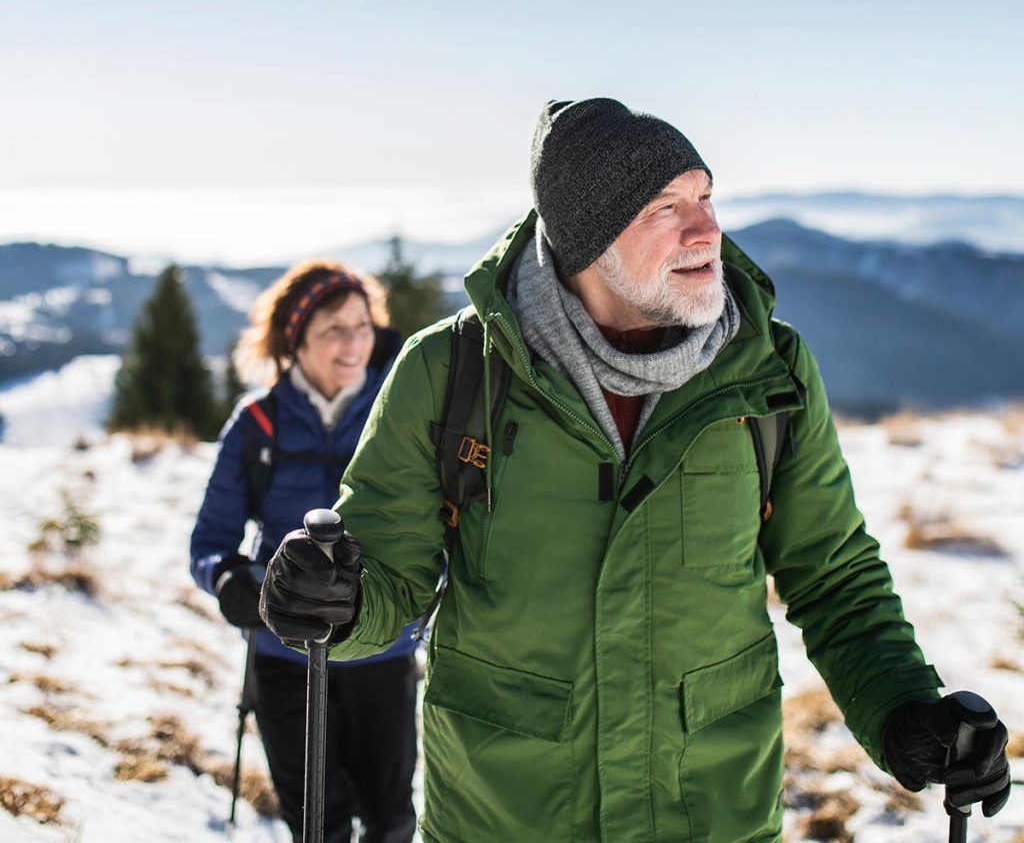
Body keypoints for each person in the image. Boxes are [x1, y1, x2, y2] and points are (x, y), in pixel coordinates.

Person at [259, 99, 1011, 843]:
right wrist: (339, 604)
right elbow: (391, 576)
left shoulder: (768, 372)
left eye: (706, 196)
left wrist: (905, 709)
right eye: (665, 207)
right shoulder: (451, 371)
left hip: (710, 814)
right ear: (590, 241)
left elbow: (833, 575)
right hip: (504, 816)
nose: (706, 229)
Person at [190, 260, 418, 843]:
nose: (353, 343)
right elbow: (210, 543)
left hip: (382, 654)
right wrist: (230, 582)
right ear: (297, 340)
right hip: (284, 657)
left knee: (392, 821)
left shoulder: (401, 416)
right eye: (332, 329)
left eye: (362, 325)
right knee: (320, 827)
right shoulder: (258, 425)